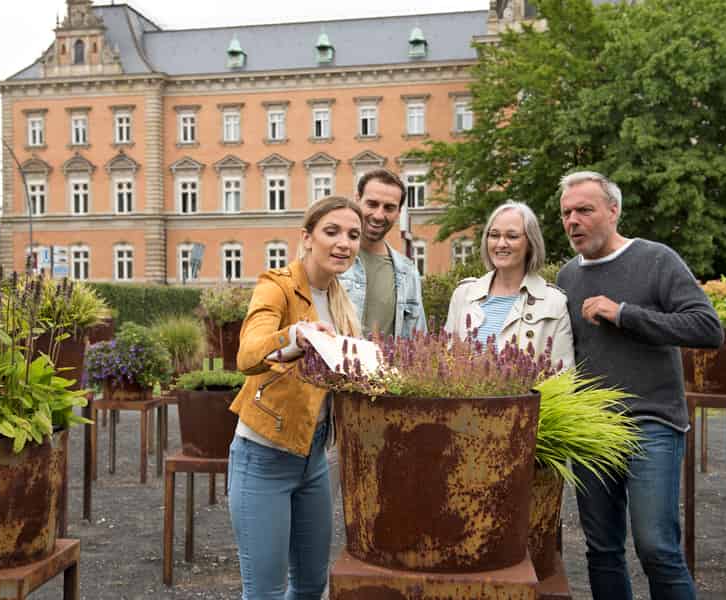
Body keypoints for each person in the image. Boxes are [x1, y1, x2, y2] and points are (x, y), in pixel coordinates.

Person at [555, 171, 724, 600]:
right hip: (592, 429)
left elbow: (708, 328)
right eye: (566, 213)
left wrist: (625, 314)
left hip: (652, 421)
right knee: (603, 550)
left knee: (657, 547)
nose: (573, 220)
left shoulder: (656, 259)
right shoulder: (566, 278)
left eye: (584, 210)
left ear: (613, 211)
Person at [228, 196, 364, 600]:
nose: (344, 243)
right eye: (332, 232)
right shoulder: (277, 286)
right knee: (265, 592)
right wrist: (293, 337)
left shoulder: (340, 298)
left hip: (315, 458)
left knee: (309, 586)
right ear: (307, 237)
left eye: (353, 235)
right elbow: (249, 354)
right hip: (263, 457)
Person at [443, 201, 573, 370]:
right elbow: (446, 360)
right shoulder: (463, 294)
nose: (501, 243)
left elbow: (563, 376)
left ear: (530, 244)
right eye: (494, 235)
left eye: (512, 236)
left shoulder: (554, 302)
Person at [339, 168, 427, 339]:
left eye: (389, 208)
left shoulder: (407, 272)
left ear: (398, 212)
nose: (379, 215)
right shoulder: (331, 258)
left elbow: (417, 339)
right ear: (357, 200)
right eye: (372, 204)